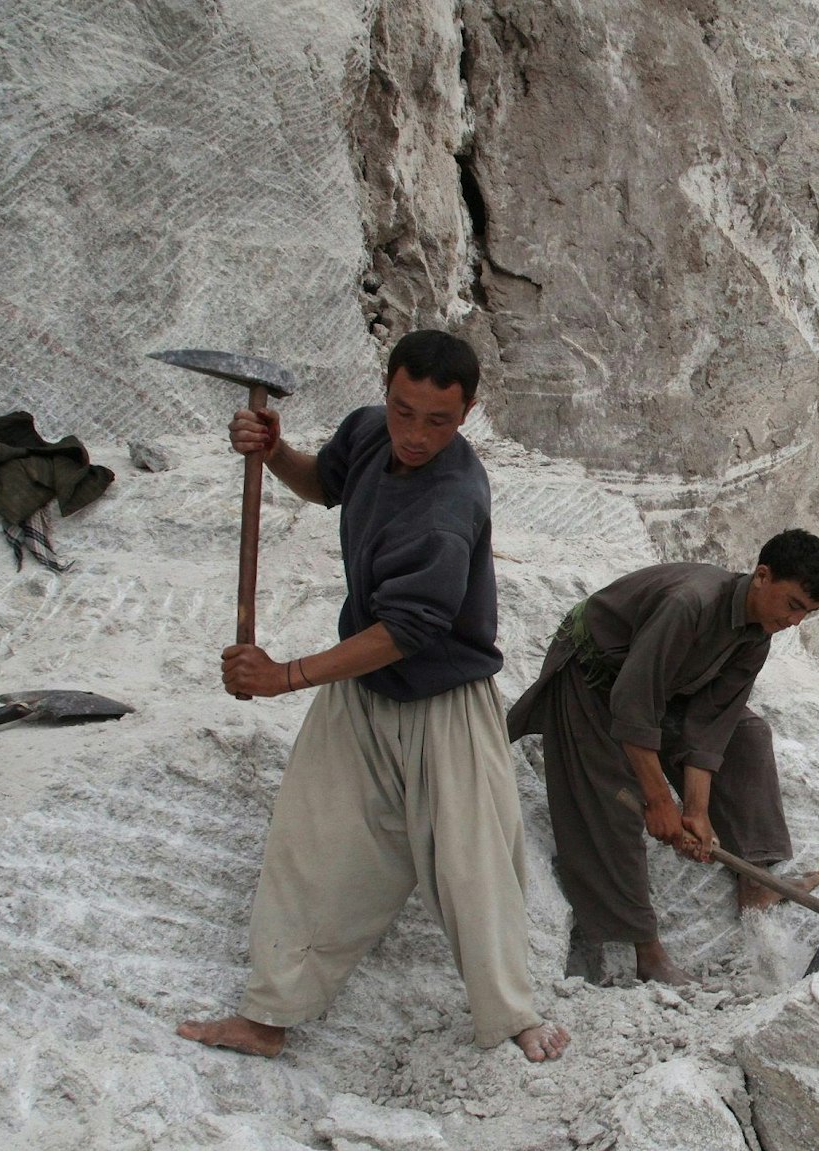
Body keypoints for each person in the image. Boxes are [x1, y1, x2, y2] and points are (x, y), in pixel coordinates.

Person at [178, 330, 568, 1063]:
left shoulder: (449, 502)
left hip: (444, 696)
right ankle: (271, 1014)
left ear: (469, 413)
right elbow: (324, 483)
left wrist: (285, 674)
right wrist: (272, 451)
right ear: (385, 390)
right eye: (403, 410)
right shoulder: (366, 431)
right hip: (363, 690)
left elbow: (408, 631)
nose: (415, 435)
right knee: (309, 842)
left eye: (438, 421)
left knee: (472, 863)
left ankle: (514, 1013)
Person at [509, 531, 819, 984]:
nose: (797, 620)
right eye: (794, 604)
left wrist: (697, 812)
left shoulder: (757, 635)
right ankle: (646, 951)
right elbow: (632, 703)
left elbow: (712, 723)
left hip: (662, 686)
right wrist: (659, 802)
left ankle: (756, 882)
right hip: (593, 677)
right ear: (762, 577)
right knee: (613, 800)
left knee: (749, 736)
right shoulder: (691, 603)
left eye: (809, 611)